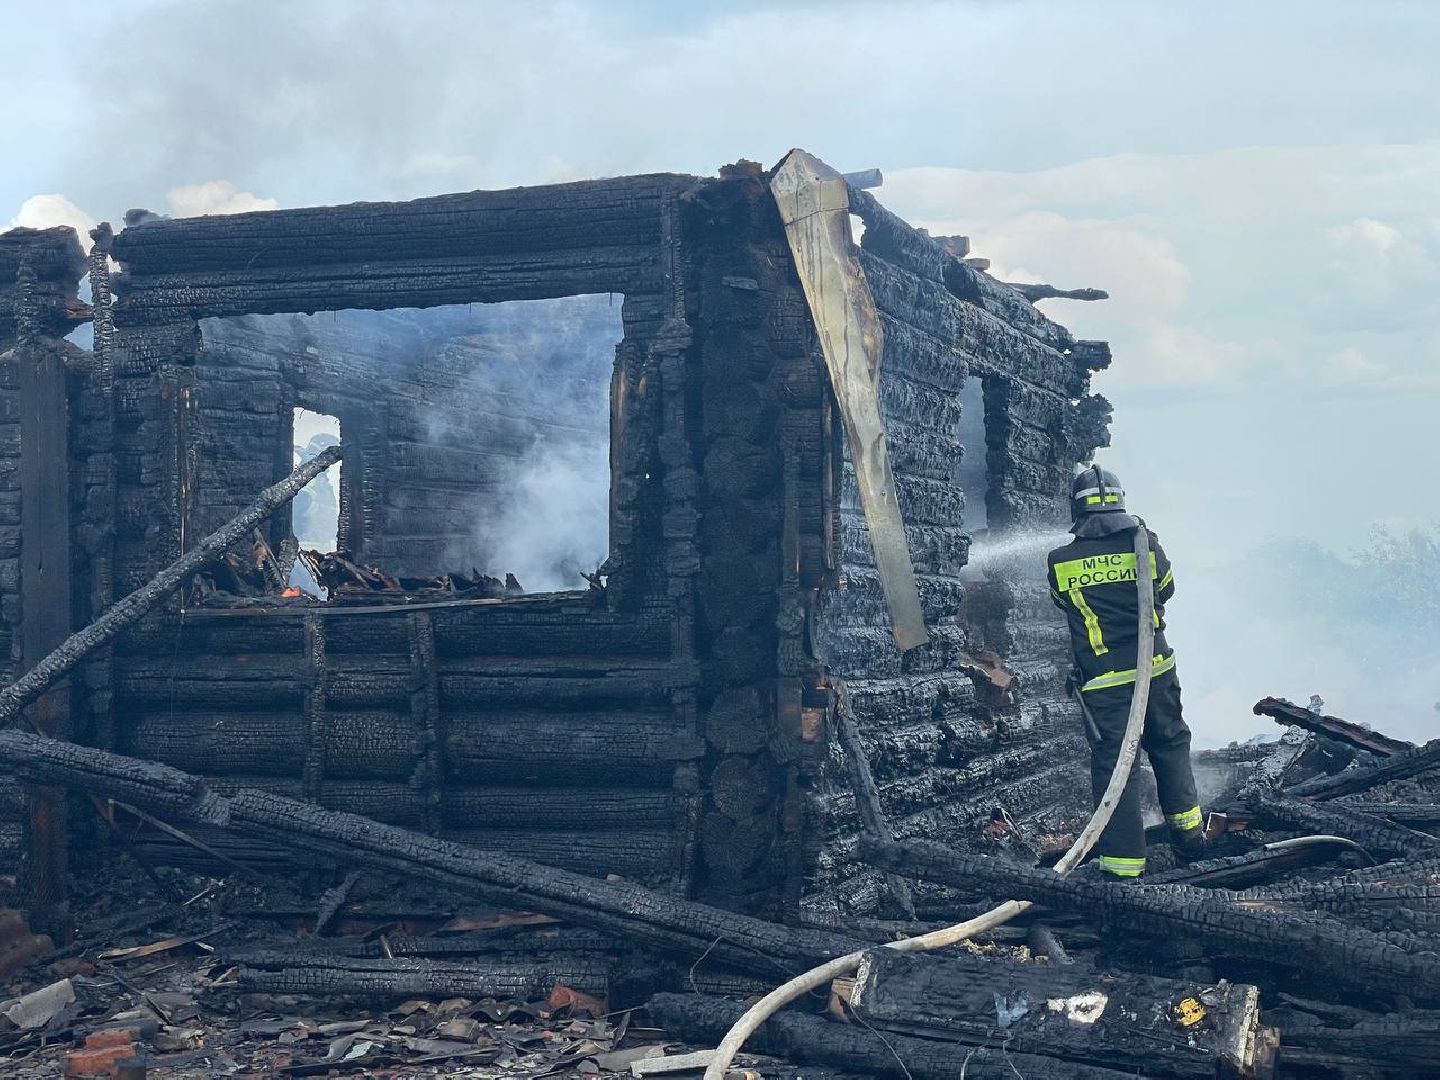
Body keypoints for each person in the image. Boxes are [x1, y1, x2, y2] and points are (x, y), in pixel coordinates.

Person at [1047, 465, 1205, 878]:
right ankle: (1190, 840)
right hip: (1157, 671)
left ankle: (1123, 869)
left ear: (1076, 509)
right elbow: (1165, 589)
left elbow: (1063, 603)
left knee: (1116, 769)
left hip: (1106, 683)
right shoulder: (1145, 545)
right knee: (1170, 746)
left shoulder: (1061, 560)